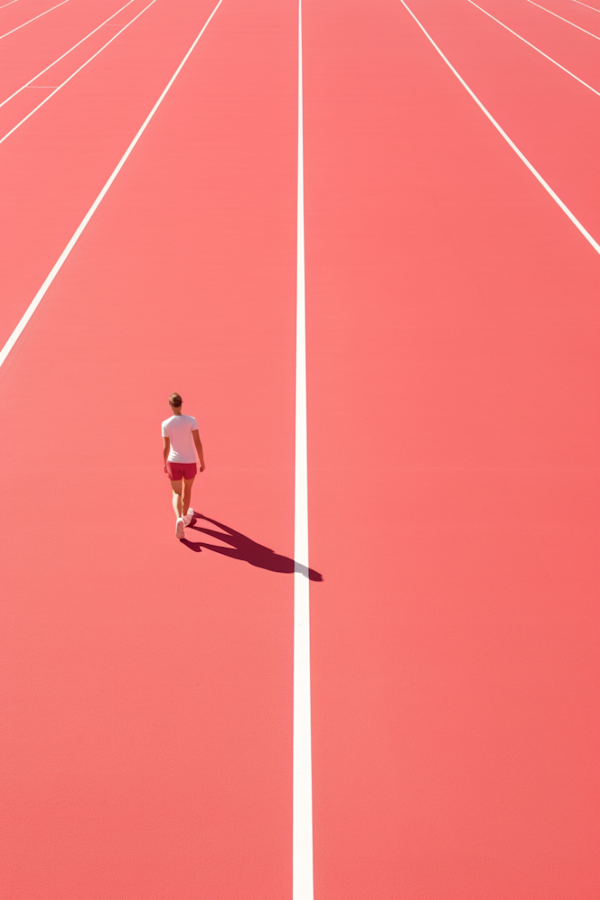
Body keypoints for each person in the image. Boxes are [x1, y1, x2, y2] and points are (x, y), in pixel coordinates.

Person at [162, 393, 205, 540]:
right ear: (181, 404)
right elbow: (198, 442)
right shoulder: (191, 420)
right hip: (189, 462)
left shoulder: (166, 423)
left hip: (173, 462)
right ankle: (185, 516)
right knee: (187, 490)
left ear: (171, 405)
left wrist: (164, 463)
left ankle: (179, 517)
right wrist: (202, 461)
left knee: (176, 492)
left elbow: (166, 447)